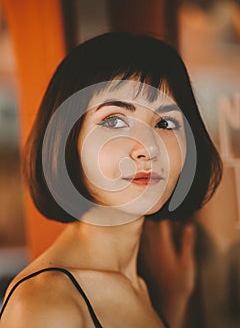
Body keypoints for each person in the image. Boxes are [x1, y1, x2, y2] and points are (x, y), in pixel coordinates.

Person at [0, 32, 222, 328]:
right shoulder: (46, 305)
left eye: (165, 123)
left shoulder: (141, 287)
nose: (149, 147)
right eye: (115, 120)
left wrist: (173, 302)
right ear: (67, 139)